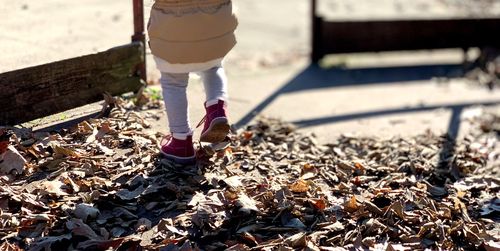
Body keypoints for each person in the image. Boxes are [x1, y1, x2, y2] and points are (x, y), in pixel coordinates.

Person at [148, 0, 238, 164]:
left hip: (172, 24)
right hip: (215, 21)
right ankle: (217, 110)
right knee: (213, 68)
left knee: (173, 81)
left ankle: (181, 142)